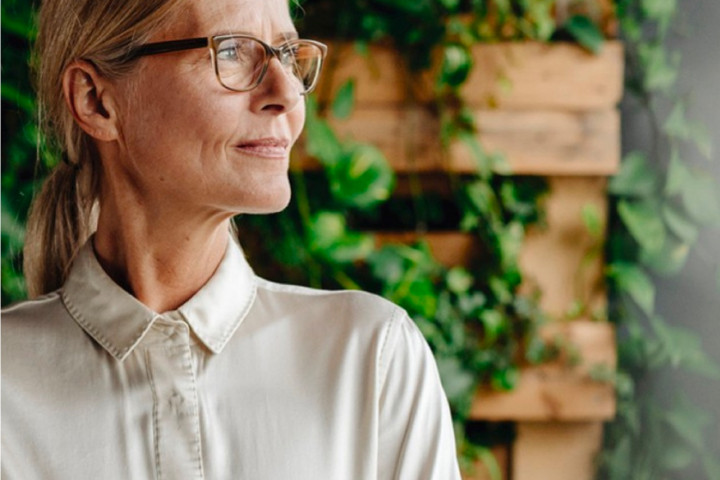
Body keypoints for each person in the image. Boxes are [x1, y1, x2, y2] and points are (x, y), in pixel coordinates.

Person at [1, 0, 461, 478]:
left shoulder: (370, 360)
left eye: (286, 52)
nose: (285, 92)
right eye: (234, 51)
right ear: (97, 101)